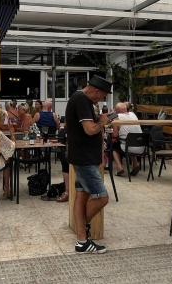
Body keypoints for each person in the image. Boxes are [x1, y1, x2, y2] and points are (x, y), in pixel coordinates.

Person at [66, 74, 112, 254]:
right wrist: (102, 121)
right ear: (95, 90)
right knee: (102, 197)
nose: (101, 99)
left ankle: (81, 242)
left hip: (82, 157)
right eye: (102, 96)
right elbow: (90, 129)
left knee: (82, 196)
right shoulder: (82, 100)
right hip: (84, 159)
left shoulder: (81, 99)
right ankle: (82, 232)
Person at [111, 102, 142, 176]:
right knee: (130, 140)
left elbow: (115, 135)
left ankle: (119, 168)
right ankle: (135, 165)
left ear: (116, 110)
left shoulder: (116, 117)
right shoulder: (133, 114)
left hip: (128, 147)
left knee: (113, 146)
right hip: (141, 146)